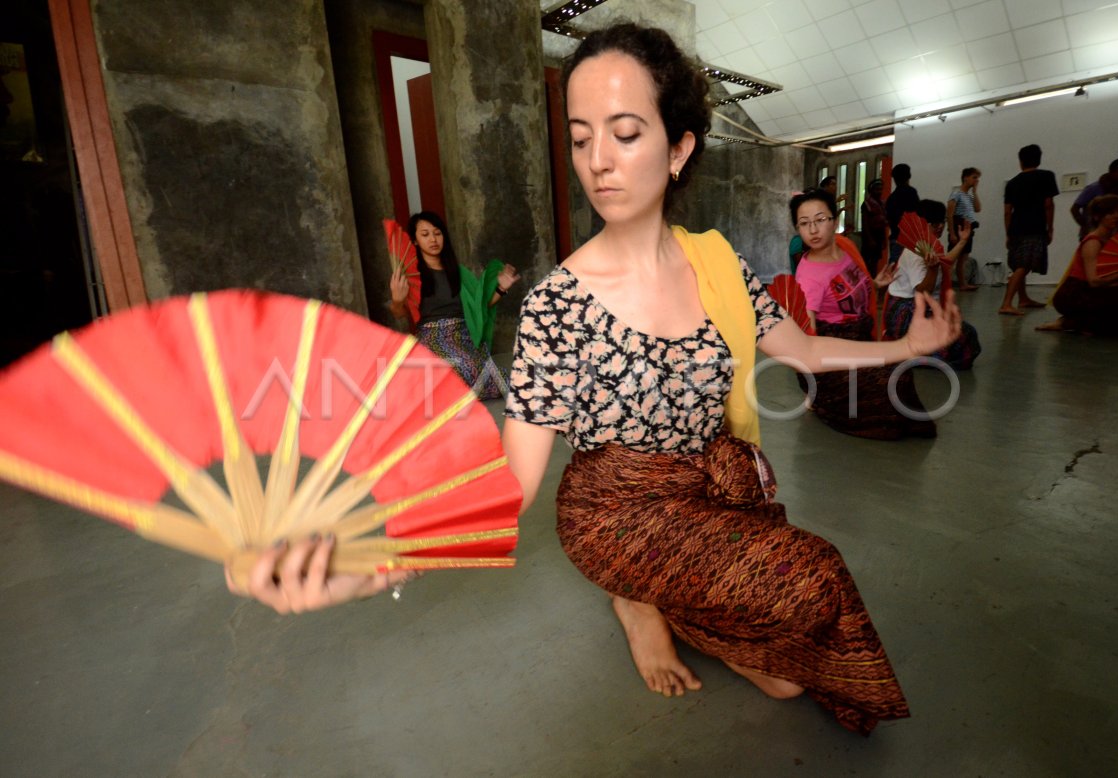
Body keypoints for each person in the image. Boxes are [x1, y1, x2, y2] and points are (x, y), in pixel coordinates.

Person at [229, 22, 965, 737]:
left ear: (679, 148)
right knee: (814, 577)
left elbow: (802, 351)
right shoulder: (558, 303)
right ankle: (634, 595)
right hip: (616, 512)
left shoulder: (716, 263)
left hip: (710, 483)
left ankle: (665, 599)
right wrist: (373, 561)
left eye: (625, 133)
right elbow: (510, 484)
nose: (598, 162)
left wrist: (905, 345)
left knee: (789, 678)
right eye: (581, 139)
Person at [793, 188, 938, 439]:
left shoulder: (845, 248)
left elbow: (844, 292)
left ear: (834, 221)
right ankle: (826, 400)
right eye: (804, 224)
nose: (813, 230)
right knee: (888, 380)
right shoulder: (809, 276)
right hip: (833, 354)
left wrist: (874, 284)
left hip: (859, 340)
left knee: (901, 366)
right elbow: (807, 335)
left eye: (820, 220)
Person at [389, 211, 519, 399]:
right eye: (425, 234)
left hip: (463, 334)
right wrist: (397, 300)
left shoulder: (458, 272)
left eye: (437, 233)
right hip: (432, 336)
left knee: (484, 373)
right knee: (456, 368)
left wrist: (501, 289)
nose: (433, 239)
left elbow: (479, 308)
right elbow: (399, 314)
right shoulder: (412, 275)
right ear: (415, 241)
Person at [1037, 195, 1118, 337]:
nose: (1117, 216)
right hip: (1075, 293)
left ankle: (1077, 322)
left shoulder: (1113, 241)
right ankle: (1072, 322)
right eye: (1111, 213)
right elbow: (1094, 281)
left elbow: (1115, 275)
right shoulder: (1093, 242)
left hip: (1095, 291)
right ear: (1098, 217)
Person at [885, 200, 982, 369]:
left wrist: (962, 241)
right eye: (933, 223)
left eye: (941, 222)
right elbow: (923, 290)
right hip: (905, 312)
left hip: (918, 308)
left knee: (963, 332)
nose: (939, 227)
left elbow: (946, 262)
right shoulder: (915, 252)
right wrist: (932, 270)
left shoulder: (930, 246)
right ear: (921, 224)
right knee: (960, 333)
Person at [999, 144, 1057, 316]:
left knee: (1019, 264)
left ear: (1020, 161)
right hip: (1034, 227)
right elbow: (1048, 205)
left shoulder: (1013, 183)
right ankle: (1006, 303)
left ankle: (1023, 299)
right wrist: (1050, 228)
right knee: (1024, 265)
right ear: (1039, 159)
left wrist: (1008, 233)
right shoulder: (1046, 176)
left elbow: (1007, 212)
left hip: (1016, 228)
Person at [1070, 158, 1118, 240]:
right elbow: (1074, 209)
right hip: (1092, 233)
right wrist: (1086, 226)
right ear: (1111, 171)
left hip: (1113, 234)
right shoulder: (1093, 188)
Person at [946, 167, 981, 292]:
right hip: (958, 227)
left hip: (968, 228)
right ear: (966, 178)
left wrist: (975, 191)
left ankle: (963, 284)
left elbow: (978, 208)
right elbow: (949, 214)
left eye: (977, 178)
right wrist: (952, 233)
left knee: (963, 259)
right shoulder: (956, 193)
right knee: (952, 259)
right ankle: (945, 285)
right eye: (974, 177)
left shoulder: (969, 196)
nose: (976, 180)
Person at [885, 163, 919, 263]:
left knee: (895, 268)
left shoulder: (891, 198)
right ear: (908, 176)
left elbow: (889, 218)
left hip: (895, 238)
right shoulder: (911, 192)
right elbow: (916, 215)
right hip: (909, 238)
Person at [859, 178, 888, 276]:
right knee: (867, 261)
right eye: (877, 189)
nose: (879, 192)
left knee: (875, 261)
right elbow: (865, 223)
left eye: (881, 189)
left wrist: (884, 239)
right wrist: (870, 239)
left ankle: (873, 280)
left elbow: (883, 223)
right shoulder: (867, 204)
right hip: (870, 235)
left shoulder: (882, 203)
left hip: (879, 235)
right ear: (871, 190)